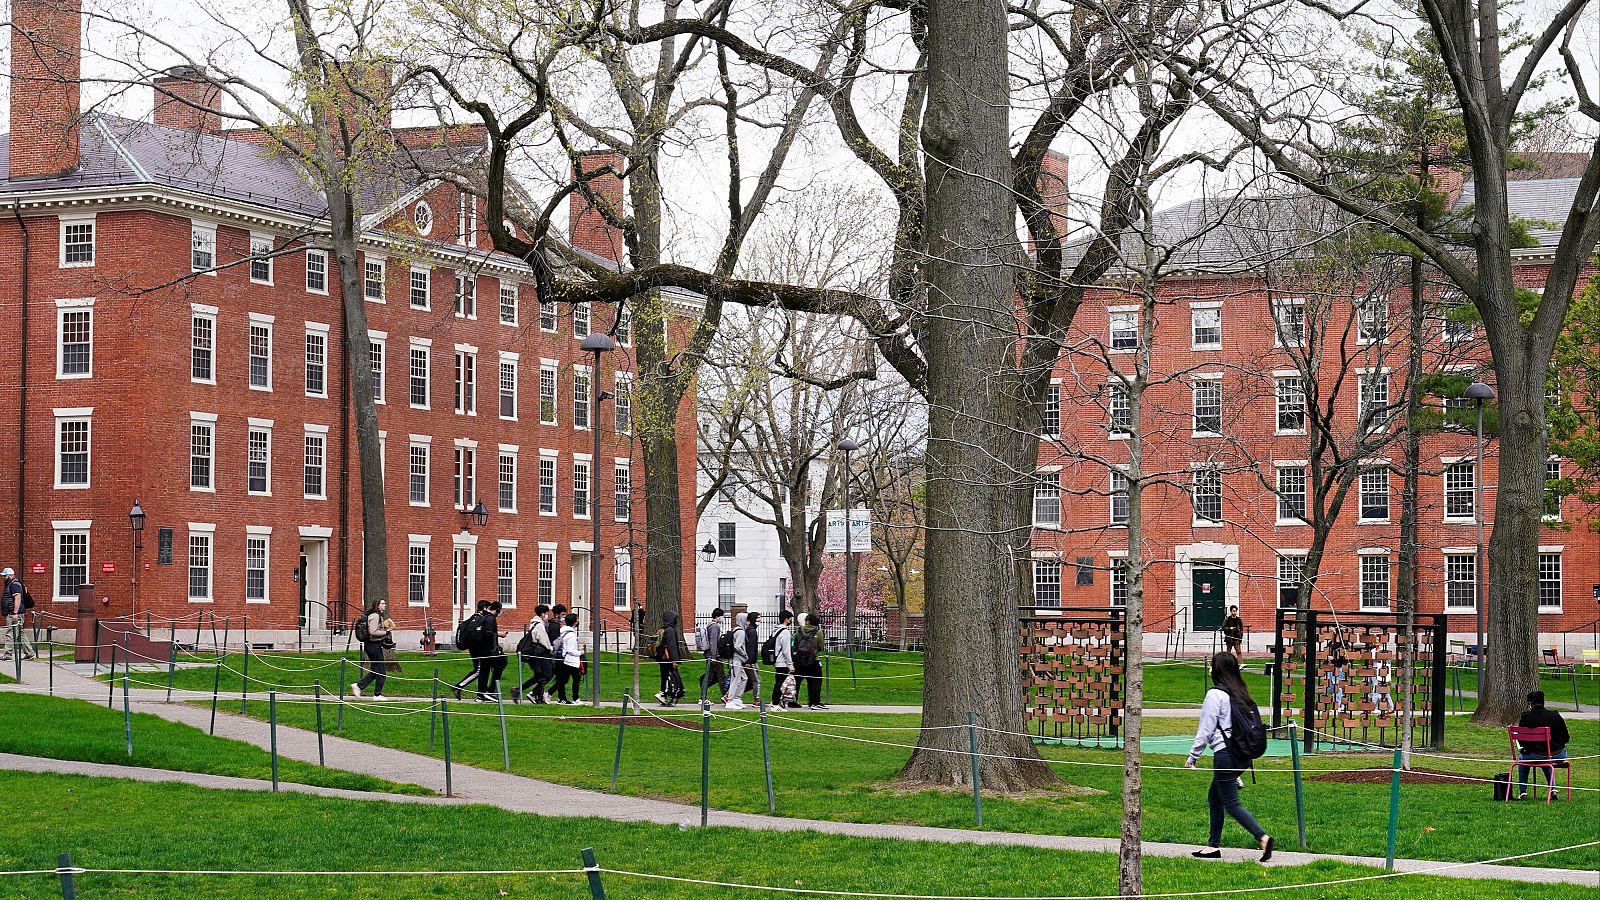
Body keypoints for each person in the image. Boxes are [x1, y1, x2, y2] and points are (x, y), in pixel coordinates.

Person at [1186, 652, 1274, 862]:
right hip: (1244, 755)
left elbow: (1205, 729)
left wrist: (1193, 756)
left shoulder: (1215, 695)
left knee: (1231, 803)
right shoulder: (1241, 693)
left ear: (1216, 670)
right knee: (1214, 797)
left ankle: (1262, 837)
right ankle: (1212, 846)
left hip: (1226, 755)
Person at [1515, 690, 1570, 800]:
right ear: (1543, 701)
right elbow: (1566, 738)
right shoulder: (1555, 715)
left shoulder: (1526, 717)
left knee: (1523, 759)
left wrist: (1527, 749)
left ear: (1530, 703)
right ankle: (1553, 789)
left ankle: (1523, 791)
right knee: (1546, 758)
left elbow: (1522, 741)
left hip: (1537, 755)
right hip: (1558, 755)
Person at [513, 604, 555, 704]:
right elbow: (543, 640)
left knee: (539, 676)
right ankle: (534, 695)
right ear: (542, 614)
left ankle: (520, 691)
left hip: (535, 653)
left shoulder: (534, 624)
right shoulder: (539, 625)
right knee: (545, 675)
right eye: (546, 613)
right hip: (540, 653)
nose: (547, 616)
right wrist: (550, 648)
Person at [452, 600, 494, 700]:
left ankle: (481, 693)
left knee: (478, 670)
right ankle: (458, 686)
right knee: (478, 671)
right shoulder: (480, 620)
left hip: (473, 649)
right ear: (484, 608)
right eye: (488, 609)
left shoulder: (472, 618)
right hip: (478, 649)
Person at [350, 601, 390, 700]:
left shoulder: (376, 615)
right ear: (377, 605)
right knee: (381, 670)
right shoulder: (375, 616)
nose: (384, 605)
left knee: (377, 670)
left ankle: (359, 686)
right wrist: (385, 632)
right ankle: (377, 694)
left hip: (374, 645)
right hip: (373, 645)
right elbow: (373, 631)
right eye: (382, 603)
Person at [726, 610, 761, 710]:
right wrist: (745, 655)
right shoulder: (741, 632)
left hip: (737, 660)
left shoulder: (737, 630)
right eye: (746, 620)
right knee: (735, 680)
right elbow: (738, 646)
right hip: (737, 659)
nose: (748, 622)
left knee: (744, 678)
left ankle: (737, 698)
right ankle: (730, 700)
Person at [794, 613, 827, 709]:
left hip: (799, 659)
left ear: (807, 621)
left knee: (797, 681)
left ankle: (792, 701)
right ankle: (814, 701)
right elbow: (821, 646)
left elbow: (795, 644)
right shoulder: (818, 632)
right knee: (815, 681)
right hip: (813, 659)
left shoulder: (799, 631)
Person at [654, 609, 687, 706]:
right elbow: (672, 646)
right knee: (673, 677)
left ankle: (663, 693)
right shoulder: (671, 630)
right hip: (668, 658)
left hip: (662, 658)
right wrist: (675, 660)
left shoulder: (662, 629)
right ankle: (665, 693)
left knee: (664, 676)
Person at [1, 567, 34, 661]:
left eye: (5, 575)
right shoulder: (13, 584)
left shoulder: (14, 584)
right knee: (20, 633)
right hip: (16, 612)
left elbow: (18, 598)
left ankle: (7, 655)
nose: (4, 578)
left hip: (14, 613)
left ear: (10, 575)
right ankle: (30, 653)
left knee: (11, 633)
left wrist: (15, 612)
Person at [551, 612, 584, 704]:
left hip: (564, 659)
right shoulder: (571, 634)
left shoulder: (563, 631)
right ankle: (575, 698)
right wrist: (581, 652)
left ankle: (561, 697)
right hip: (570, 660)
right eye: (577, 619)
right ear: (575, 622)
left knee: (562, 680)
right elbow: (571, 650)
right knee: (575, 679)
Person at [769, 610, 795, 709]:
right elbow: (786, 650)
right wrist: (790, 664)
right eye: (790, 619)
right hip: (782, 661)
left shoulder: (775, 630)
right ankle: (775, 704)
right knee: (780, 684)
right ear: (786, 619)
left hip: (777, 660)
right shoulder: (785, 632)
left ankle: (777, 702)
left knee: (779, 682)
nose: (790, 621)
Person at [699, 608, 726, 701]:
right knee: (720, 676)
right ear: (717, 616)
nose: (723, 618)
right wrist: (714, 656)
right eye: (722, 616)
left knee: (711, 676)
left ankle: (703, 696)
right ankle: (725, 695)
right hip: (714, 655)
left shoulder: (710, 625)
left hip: (710, 655)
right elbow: (713, 642)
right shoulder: (714, 626)